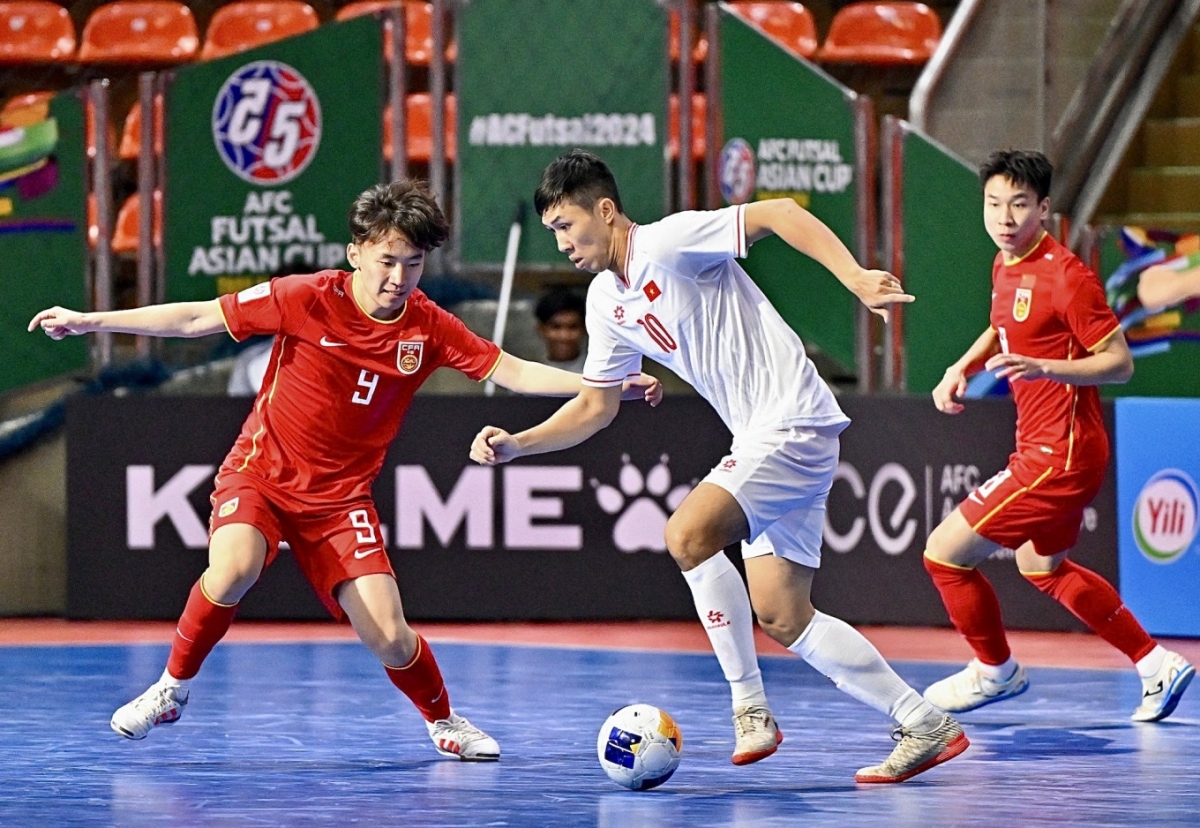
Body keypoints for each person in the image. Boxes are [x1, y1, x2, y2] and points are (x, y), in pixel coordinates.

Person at [30, 179, 661, 759]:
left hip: (340, 502)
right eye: (387, 261)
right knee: (235, 567)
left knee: (389, 634)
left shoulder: (429, 327)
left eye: (413, 265)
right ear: (356, 251)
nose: (399, 278)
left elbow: (513, 371)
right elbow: (198, 316)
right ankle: (171, 688)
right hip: (262, 474)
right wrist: (91, 320)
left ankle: (444, 722)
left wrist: (602, 384)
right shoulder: (305, 297)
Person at [469, 149, 968, 783]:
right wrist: (519, 443)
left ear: (605, 210)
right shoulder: (603, 302)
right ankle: (923, 722)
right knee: (784, 614)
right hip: (773, 436)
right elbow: (594, 407)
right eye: (553, 233)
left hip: (789, 419)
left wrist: (853, 276)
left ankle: (749, 708)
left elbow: (780, 213)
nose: (562, 242)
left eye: (566, 225)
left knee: (686, 533)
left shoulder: (670, 242)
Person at [922, 150, 1194, 721]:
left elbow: (1119, 363)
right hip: (1054, 447)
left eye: (1019, 205)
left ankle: (995, 672)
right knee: (1041, 567)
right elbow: (1003, 328)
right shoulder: (1005, 264)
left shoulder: (1067, 276)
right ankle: (1155, 664)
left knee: (944, 554)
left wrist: (1048, 368)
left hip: (1059, 454)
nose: (1004, 216)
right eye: (994, 204)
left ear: (1043, 209)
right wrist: (960, 368)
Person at [534, 287, 587, 373]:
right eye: (556, 327)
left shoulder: (598, 373)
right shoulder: (530, 375)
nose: (564, 335)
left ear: (584, 329)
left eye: (573, 327)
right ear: (541, 329)